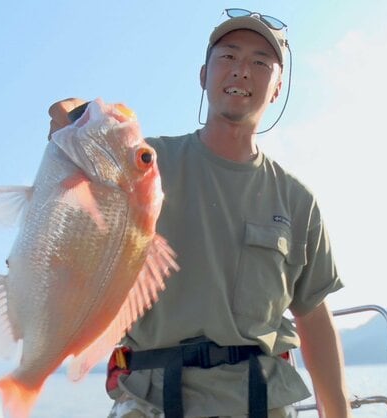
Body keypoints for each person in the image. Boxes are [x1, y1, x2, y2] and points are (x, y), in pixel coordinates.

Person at [49, 9, 353, 418]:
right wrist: (70, 119)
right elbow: (70, 141)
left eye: (260, 62)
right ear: (202, 76)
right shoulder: (144, 165)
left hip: (258, 405)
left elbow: (314, 320)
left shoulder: (297, 201)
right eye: (227, 57)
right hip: (150, 402)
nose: (241, 71)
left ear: (277, 87)